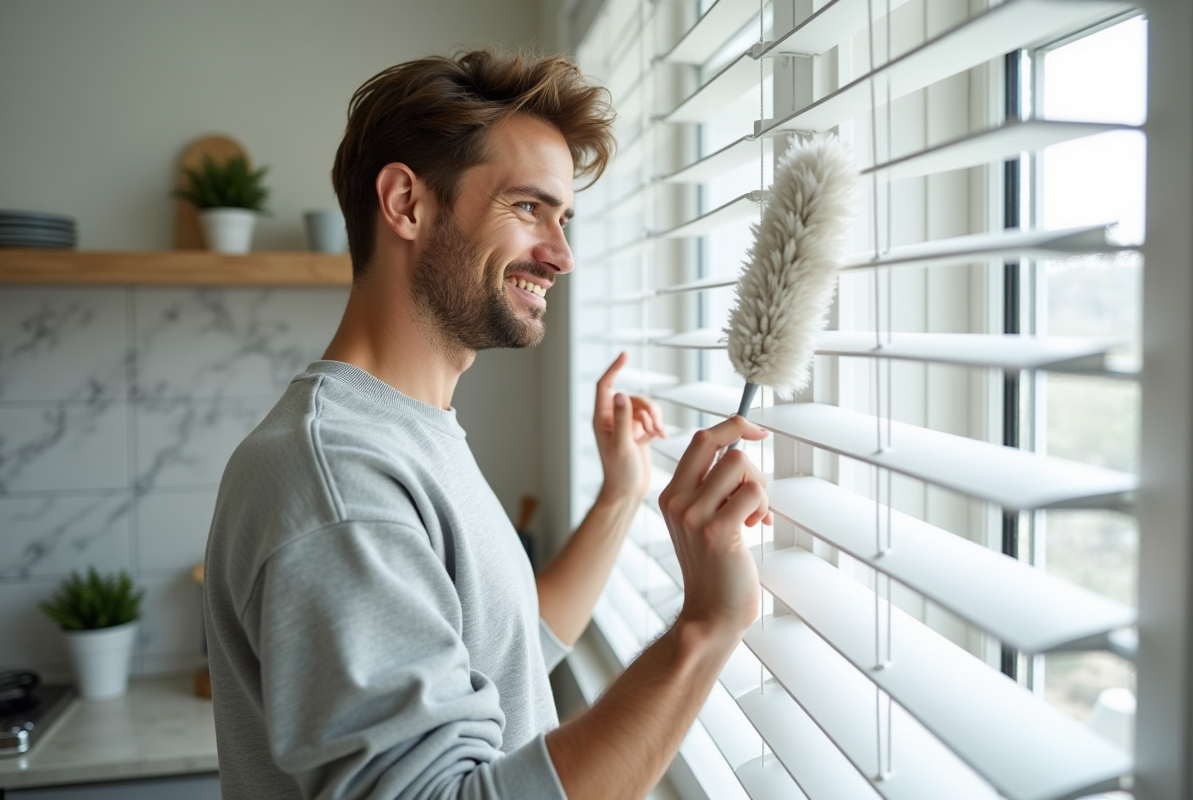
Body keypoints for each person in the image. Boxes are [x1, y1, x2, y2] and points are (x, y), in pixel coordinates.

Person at [203, 49, 771, 800]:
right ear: (406, 203)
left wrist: (620, 496)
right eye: (528, 207)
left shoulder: (407, 433)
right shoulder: (340, 475)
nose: (562, 255)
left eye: (563, 218)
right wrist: (707, 629)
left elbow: (504, 655)